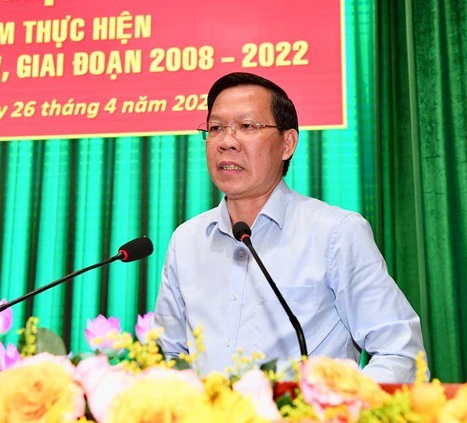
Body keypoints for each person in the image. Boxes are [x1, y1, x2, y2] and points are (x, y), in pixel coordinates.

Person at [153, 72, 428, 383]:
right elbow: (167, 355)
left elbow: (401, 353)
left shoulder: (336, 233)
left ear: (288, 143)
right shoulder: (186, 240)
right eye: (216, 128)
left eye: (247, 126)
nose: (227, 142)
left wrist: (338, 403)